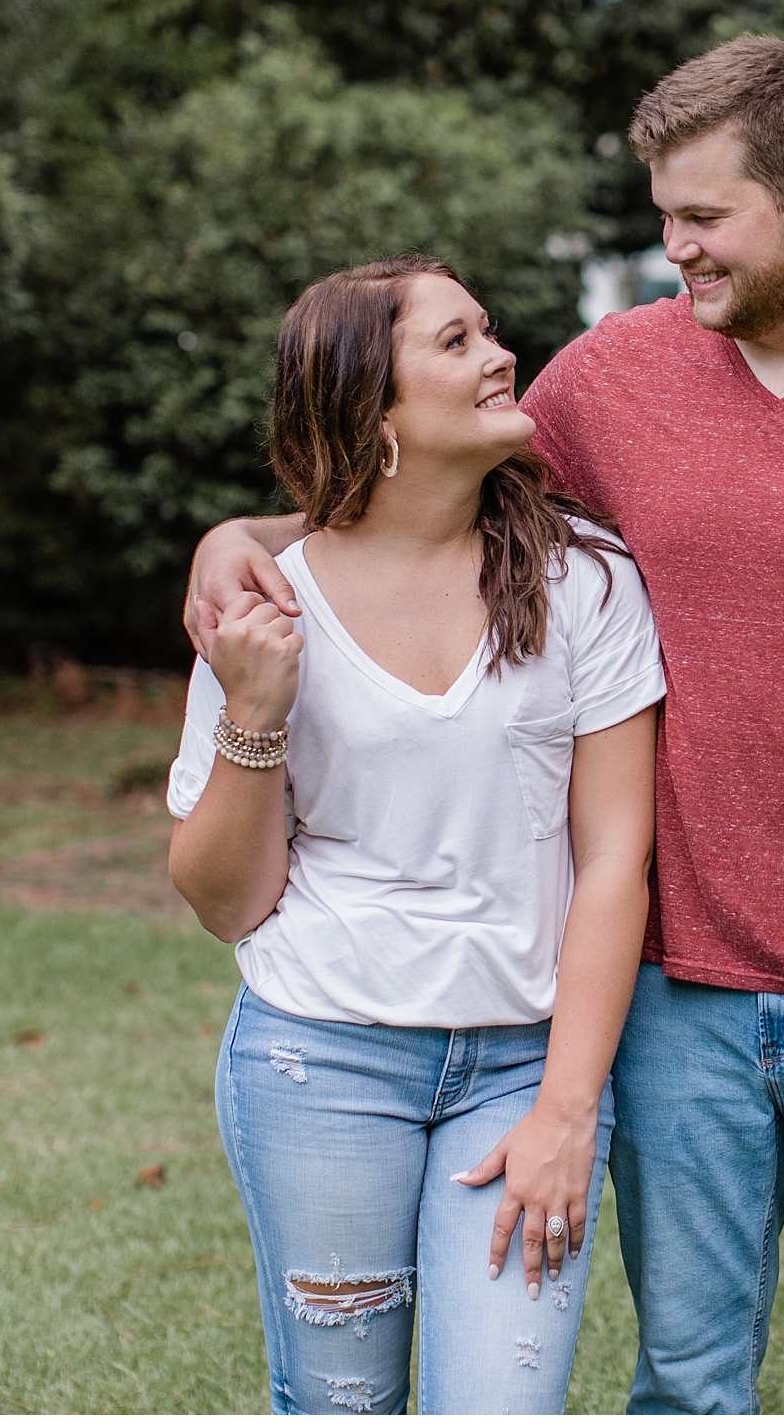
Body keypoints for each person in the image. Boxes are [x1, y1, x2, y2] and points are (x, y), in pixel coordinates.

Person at [186, 38, 784, 1414]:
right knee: (688, 1383)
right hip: (669, 990)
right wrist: (241, 538)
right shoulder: (606, 384)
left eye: (702, 218)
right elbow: (403, 508)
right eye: (662, 218)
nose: (674, 251)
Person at [167, 255, 664, 1414]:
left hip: (521, 1067)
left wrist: (566, 1108)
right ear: (372, 411)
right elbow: (224, 898)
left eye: (486, 329)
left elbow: (614, 865)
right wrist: (253, 710)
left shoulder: (586, 585)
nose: (499, 354)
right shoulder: (264, 606)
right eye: (455, 342)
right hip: (317, 1064)